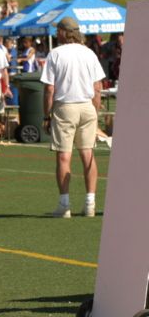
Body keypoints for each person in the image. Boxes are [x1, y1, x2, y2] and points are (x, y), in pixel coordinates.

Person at [41, 17, 105, 218]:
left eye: (57, 31)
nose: (55, 34)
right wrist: (96, 111)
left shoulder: (56, 54)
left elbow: (49, 89)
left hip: (65, 107)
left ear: (63, 32)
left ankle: (64, 204)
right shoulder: (89, 53)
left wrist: (46, 115)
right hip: (87, 107)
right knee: (88, 155)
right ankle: (90, 203)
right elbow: (97, 88)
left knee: (63, 156)